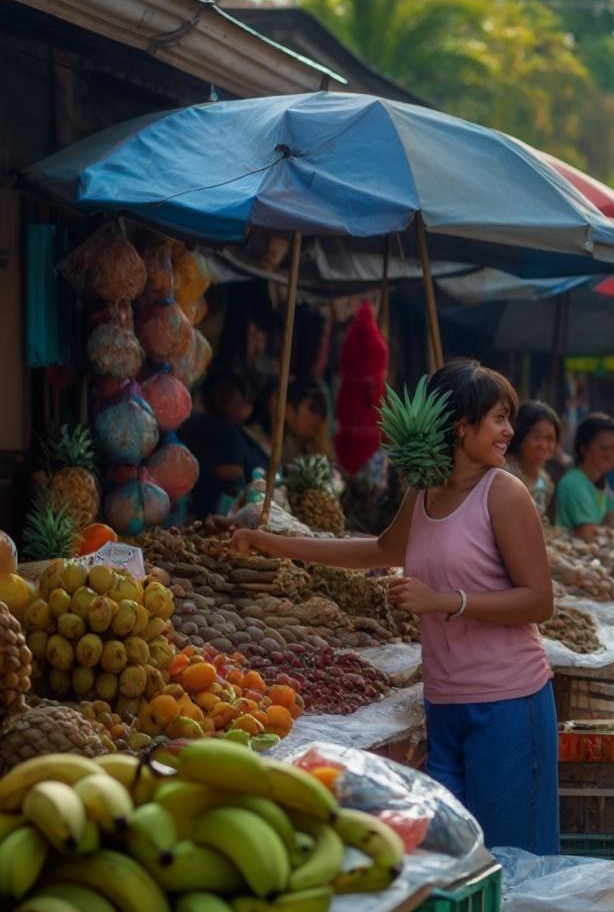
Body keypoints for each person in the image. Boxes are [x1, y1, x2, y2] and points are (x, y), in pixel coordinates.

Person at [233, 359, 558, 851]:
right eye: (498, 418)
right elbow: (379, 551)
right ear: (460, 426)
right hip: (445, 703)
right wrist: (273, 542)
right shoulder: (424, 493)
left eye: (508, 418)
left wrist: (445, 601)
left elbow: (539, 601)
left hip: (509, 703)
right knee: (457, 860)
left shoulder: (505, 493)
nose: (509, 431)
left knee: (515, 864)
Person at [181, 371, 267, 518]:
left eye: (230, 393)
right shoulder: (225, 431)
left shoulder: (189, 423)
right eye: (223, 392)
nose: (225, 397)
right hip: (211, 516)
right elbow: (230, 473)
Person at [555, 413, 614, 537]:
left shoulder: (600, 483)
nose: (611, 455)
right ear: (584, 449)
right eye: (604, 449)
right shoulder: (575, 483)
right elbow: (587, 533)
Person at [507, 401, 562, 521]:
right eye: (536, 437)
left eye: (550, 439)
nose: (543, 445)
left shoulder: (545, 483)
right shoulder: (505, 475)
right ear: (520, 437)